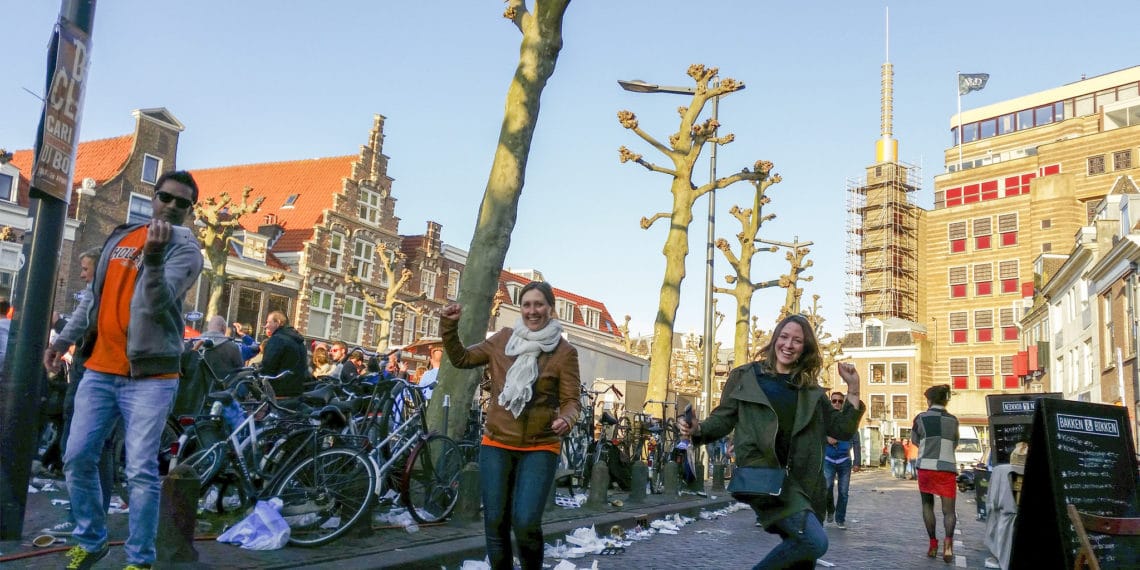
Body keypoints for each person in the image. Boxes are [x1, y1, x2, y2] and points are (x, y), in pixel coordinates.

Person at [43, 170, 204, 570]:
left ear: (190, 210)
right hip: (99, 369)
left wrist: (154, 258)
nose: (172, 206)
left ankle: (139, 559)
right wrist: (63, 341)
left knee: (139, 470)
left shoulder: (186, 251)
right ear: (154, 197)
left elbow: (156, 302)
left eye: (182, 203)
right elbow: (92, 299)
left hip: (150, 377)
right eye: (166, 197)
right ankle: (91, 540)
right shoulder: (121, 236)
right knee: (77, 457)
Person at [678, 314, 865, 569]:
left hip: (804, 483)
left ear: (805, 348)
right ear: (775, 339)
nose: (788, 345)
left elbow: (841, 429)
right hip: (763, 475)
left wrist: (853, 388)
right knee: (813, 542)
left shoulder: (810, 389)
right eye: (784, 337)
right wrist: (698, 429)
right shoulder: (746, 377)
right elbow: (723, 419)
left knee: (801, 562)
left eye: (797, 340)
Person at [440, 280, 581, 570]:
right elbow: (461, 358)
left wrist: (566, 418)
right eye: (527, 305)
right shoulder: (503, 339)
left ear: (550, 309)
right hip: (497, 442)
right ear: (521, 309)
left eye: (539, 304)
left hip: (540, 446)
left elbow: (571, 400)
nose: (532, 311)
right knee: (496, 522)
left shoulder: (565, 352)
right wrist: (449, 326)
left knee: (526, 522)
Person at [911, 384, 960, 562]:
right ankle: (948, 545)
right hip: (946, 468)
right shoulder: (953, 420)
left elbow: (915, 440)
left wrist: (928, 447)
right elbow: (955, 442)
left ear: (929, 400)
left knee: (927, 506)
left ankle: (933, 544)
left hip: (926, 467)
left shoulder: (920, 418)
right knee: (949, 511)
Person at [823, 391, 854, 529]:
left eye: (840, 401)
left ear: (843, 404)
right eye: (834, 401)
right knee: (826, 488)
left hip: (844, 460)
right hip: (828, 459)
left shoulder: (847, 419)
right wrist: (826, 438)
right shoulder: (825, 418)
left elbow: (856, 439)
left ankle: (840, 519)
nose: (837, 403)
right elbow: (816, 433)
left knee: (843, 492)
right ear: (830, 402)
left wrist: (857, 461)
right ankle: (830, 509)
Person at [258, 310, 307, 397]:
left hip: (278, 391)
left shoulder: (277, 339)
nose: (266, 326)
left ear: (278, 323)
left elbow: (268, 366)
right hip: (296, 391)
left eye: (268, 322)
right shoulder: (298, 340)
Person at [199, 315, 244, 381]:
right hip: (222, 386)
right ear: (224, 328)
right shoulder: (232, 347)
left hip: (194, 387)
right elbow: (240, 371)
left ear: (208, 327)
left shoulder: (192, 344)